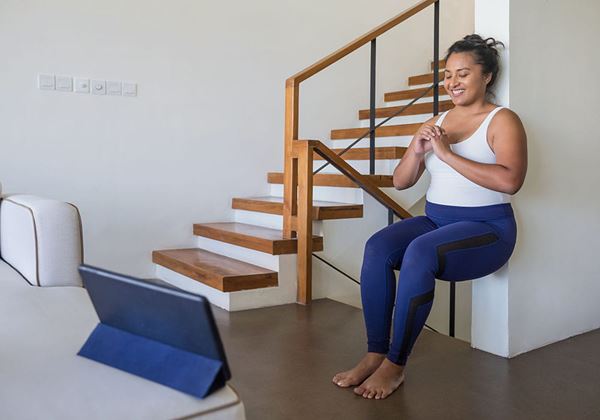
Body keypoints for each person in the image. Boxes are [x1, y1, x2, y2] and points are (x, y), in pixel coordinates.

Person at [332, 34, 528, 400]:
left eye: (463, 73)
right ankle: (375, 352)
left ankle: (395, 365)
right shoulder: (437, 120)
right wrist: (419, 150)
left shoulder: (502, 120)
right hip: (438, 221)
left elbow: (511, 180)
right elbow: (401, 181)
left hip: (488, 229)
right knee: (378, 246)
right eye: (447, 74)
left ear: (486, 77)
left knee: (420, 252)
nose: (452, 82)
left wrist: (447, 153)